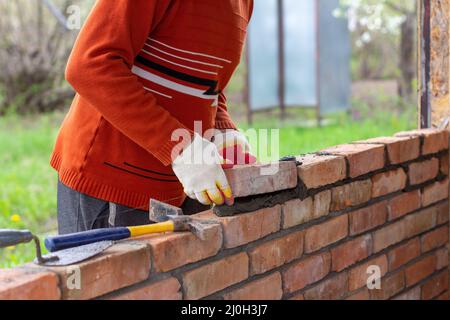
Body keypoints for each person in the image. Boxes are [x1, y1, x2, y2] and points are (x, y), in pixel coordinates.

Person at [50, 0, 256, 234]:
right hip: (111, 182)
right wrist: (181, 148)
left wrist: (222, 130)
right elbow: (89, 65)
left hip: (184, 183)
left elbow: (207, 80)